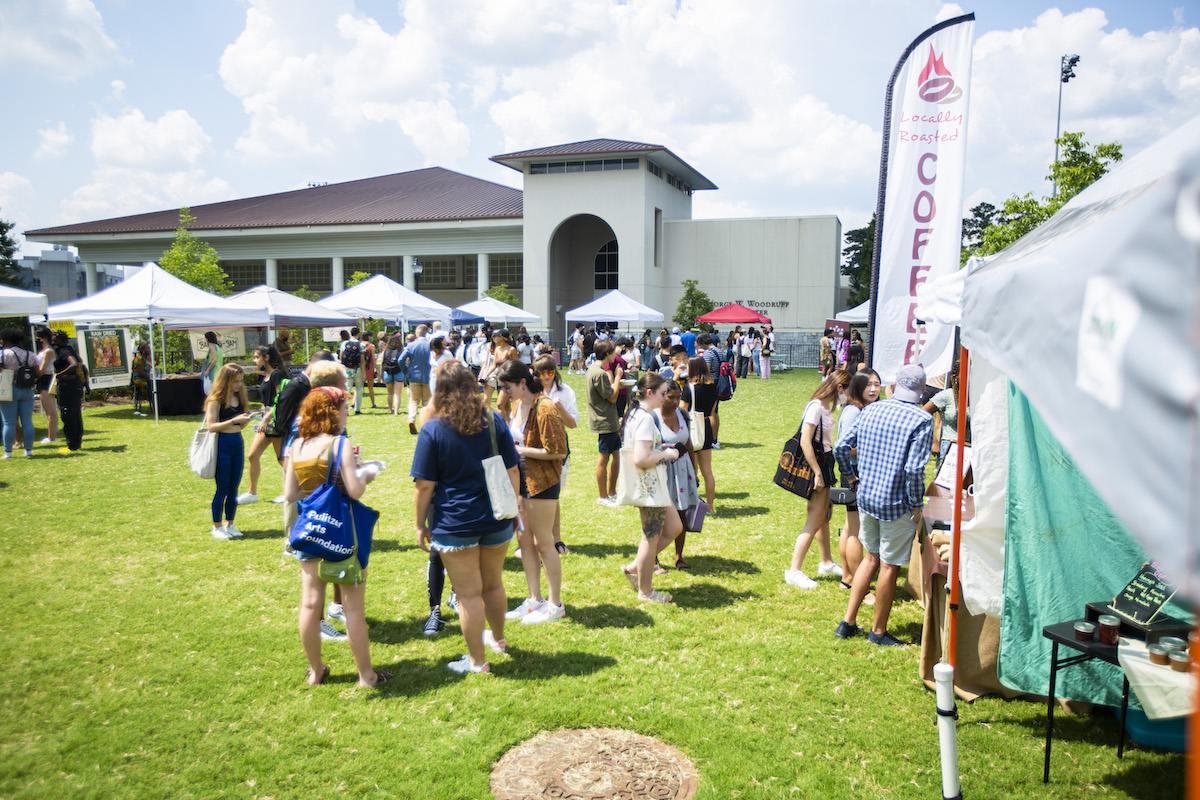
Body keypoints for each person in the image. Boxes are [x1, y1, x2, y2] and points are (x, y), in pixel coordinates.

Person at [412, 362, 521, 674]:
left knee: (469, 594)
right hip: (497, 516)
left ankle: (477, 662)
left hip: (454, 521)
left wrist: (419, 524)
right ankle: (498, 641)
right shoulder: (494, 419)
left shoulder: (433, 428)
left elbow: (424, 485)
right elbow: (512, 470)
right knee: (493, 585)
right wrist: (515, 509)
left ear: (440, 392)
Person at [284, 386, 391, 687]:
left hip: (312, 528)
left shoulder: (298, 444)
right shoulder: (339, 444)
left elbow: (291, 493)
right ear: (331, 411)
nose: (347, 412)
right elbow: (356, 490)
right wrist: (366, 472)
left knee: (310, 604)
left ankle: (316, 671)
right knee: (353, 607)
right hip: (343, 529)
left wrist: (320, 486)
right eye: (344, 407)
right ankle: (366, 676)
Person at [834, 364, 934, 646]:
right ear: (922, 391)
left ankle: (847, 623)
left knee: (870, 558)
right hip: (896, 503)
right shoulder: (922, 420)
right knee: (889, 566)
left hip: (867, 498)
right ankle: (878, 632)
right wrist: (916, 505)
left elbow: (841, 447)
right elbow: (915, 471)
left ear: (892, 387)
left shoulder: (872, 409)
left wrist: (851, 477)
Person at [497, 360, 569, 625]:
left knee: (543, 542)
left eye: (507, 387)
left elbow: (559, 451)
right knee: (524, 540)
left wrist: (522, 451)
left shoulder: (545, 407)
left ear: (522, 382)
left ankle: (555, 603)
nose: (504, 392)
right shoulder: (518, 405)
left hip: (543, 481)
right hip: (520, 479)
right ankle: (534, 599)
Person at [618, 372, 684, 603]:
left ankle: (636, 567)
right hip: (649, 487)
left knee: (674, 527)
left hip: (650, 486)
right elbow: (641, 458)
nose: (666, 398)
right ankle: (646, 592)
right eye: (663, 393)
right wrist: (666, 453)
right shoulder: (645, 418)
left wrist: (661, 449)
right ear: (649, 393)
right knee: (651, 539)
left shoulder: (636, 414)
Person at [784, 372, 850, 589]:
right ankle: (794, 570)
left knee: (823, 516)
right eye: (848, 390)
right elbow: (805, 441)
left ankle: (826, 562)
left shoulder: (827, 406)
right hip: (817, 464)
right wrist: (817, 472)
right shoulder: (816, 407)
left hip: (825, 461)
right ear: (840, 387)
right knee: (814, 519)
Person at [836, 369, 882, 596]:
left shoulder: (860, 409)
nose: (873, 389)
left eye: (877, 384)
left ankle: (847, 577)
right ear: (858, 387)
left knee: (849, 526)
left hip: (854, 472)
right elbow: (845, 447)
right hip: (853, 472)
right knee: (856, 529)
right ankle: (858, 585)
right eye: (868, 385)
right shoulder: (854, 411)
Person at [534, 354, 579, 554]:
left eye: (550, 372)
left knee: (553, 496)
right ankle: (533, 540)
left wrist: (560, 409)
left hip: (558, 449)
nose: (546, 377)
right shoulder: (530, 391)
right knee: (531, 496)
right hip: (533, 447)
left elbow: (573, 424)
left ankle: (557, 539)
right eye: (541, 373)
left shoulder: (565, 392)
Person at [654, 381, 700, 569]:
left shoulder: (682, 414)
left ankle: (678, 556)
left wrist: (694, 472)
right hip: (662, 472)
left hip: (682, 470)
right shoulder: (653, 417)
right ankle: (653, 559)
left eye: (678, 397)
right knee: (658, 517)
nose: (675, 401)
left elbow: (688, 444)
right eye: (670, 397)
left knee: (682, 515)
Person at [204, 363, 253, 539]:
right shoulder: (215, 400)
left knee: (234, 487)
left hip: (237, 442)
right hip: (222, 444)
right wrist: (234, 421)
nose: (239, 385)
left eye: (241, 381)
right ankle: (217, 527)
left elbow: (241, 422)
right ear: (225, 380)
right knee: (222, 487)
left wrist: (246, 419)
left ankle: (230, 524)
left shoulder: (240, 397)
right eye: (235, 381)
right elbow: (211, 426)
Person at [237, 345, 288, 505]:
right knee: (252, 455)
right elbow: (266, 401)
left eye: (256, 357)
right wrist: (255, 413)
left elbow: (281, 401)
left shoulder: (277, 375)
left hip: (275, 422)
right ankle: (252, 493)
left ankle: (292, 492)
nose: (254, 360)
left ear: (266, 358)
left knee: (283, 460)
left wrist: (266, 418)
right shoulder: (266, 375)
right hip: (265, 422)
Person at [586, 340, 623, 507]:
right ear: (607, 354)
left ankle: (612, 492)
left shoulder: (594, 369)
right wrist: (617, 378)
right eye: (614, 352)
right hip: (604, 421)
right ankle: (603, 496)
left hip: (610, 420)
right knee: (604, 459)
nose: (616, 355)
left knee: (617, 456)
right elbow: (613, 397)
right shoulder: (599, 373)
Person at [0, 328, 38, 459]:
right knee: (27, 421)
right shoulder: (30, 354)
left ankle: (8, 452)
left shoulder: (3, 354)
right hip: (27, 389)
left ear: (7, 339)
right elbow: (38, 373)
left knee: (9, 422)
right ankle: (28, 450)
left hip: (9, 388)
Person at [687, 356, 718, 514]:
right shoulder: (713, 387)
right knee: (708, 471)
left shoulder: (690, 388)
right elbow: (712, 412)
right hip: (705, 426)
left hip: (691, 429)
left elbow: (682, 411)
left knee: (692, 470)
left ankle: (691, 504)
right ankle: (710, 507)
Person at [923, 368, 971, 465]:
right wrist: (933, 441)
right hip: (950, 449)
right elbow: (921, 415)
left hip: (972, 450)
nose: (969, 377)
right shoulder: (947, 395)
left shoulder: (977, 397)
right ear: (955, 376)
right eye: (966, 373)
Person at [51, 330, 85, 452]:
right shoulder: (69, 349)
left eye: (55, 340)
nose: (53, 342)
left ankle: (71, 444)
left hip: (68, 385)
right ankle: (76, 442)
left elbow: (74, 364)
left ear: (62, 340)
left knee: (68, 414)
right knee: (75, 414)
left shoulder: (64, 351)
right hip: (75, 385)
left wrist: (60, 374)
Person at [395, 324, 432, 434]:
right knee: (426, 402)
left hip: (413, 376)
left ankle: (411, 419)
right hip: (428, 376)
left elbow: (400, 360)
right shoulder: (430, 345)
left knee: (413, 401)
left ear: (417, 333)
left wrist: (406, 371)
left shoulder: (411, 345)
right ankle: (425, 424)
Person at [33, 328, 58, 445]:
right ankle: (52, 435)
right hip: (43, 380)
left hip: (45, 379)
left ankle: (51, 437)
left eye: (39, 336)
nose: (37, 339)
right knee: (50, 410)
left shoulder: (47, 351)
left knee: (50, 411)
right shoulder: (44, 350)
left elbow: (42, 369)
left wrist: (33, 378)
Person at [699, 334, 724, 449]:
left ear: (703, 342)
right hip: (719, 382)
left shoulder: (708, 353)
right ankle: (716, 438)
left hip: (711, 383)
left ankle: (713, 440)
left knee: (711, 413)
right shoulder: (718, 351)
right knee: (715, 412)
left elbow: (706, 370)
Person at [339, 327, 366, 415]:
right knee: (358, 389)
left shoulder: (344, 344)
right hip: (357, 370)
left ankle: (345, 409)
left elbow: (340, 357)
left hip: (346, 370)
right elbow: (362, 361)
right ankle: (357, 409)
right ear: (358, 334)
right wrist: (364, 373)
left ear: (351, 334)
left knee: (347, 389)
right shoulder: (361, 345)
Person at [379, 333, 406, 415]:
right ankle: (396, 411)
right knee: (397, 393)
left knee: (390, 393)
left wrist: (381, 373)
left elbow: (381, 363)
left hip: (387, 372)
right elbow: (405, 362)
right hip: (398, 371)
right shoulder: (401, 350)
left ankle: (390, 409)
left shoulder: (385, 350)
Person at [130, 343, 152, 416]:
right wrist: (149, 378)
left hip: (147, 377)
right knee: (151, 385)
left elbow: (151, 369)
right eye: (147, 348)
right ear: (142, 350)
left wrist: (157, 362)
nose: (149, 350)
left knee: (156, 384)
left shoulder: (148, 358)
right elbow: (140, 371)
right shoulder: (139, 359)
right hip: (139, 378)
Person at [361, 331, 378, 409]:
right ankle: (373, 403)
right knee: (370, 387)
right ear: (368, 337)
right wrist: (376, 369)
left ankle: (353, 404)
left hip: (361, 367)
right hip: (369, 367)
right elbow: (373, 359)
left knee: (359, 387)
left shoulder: (360, 344)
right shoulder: (371, 346)